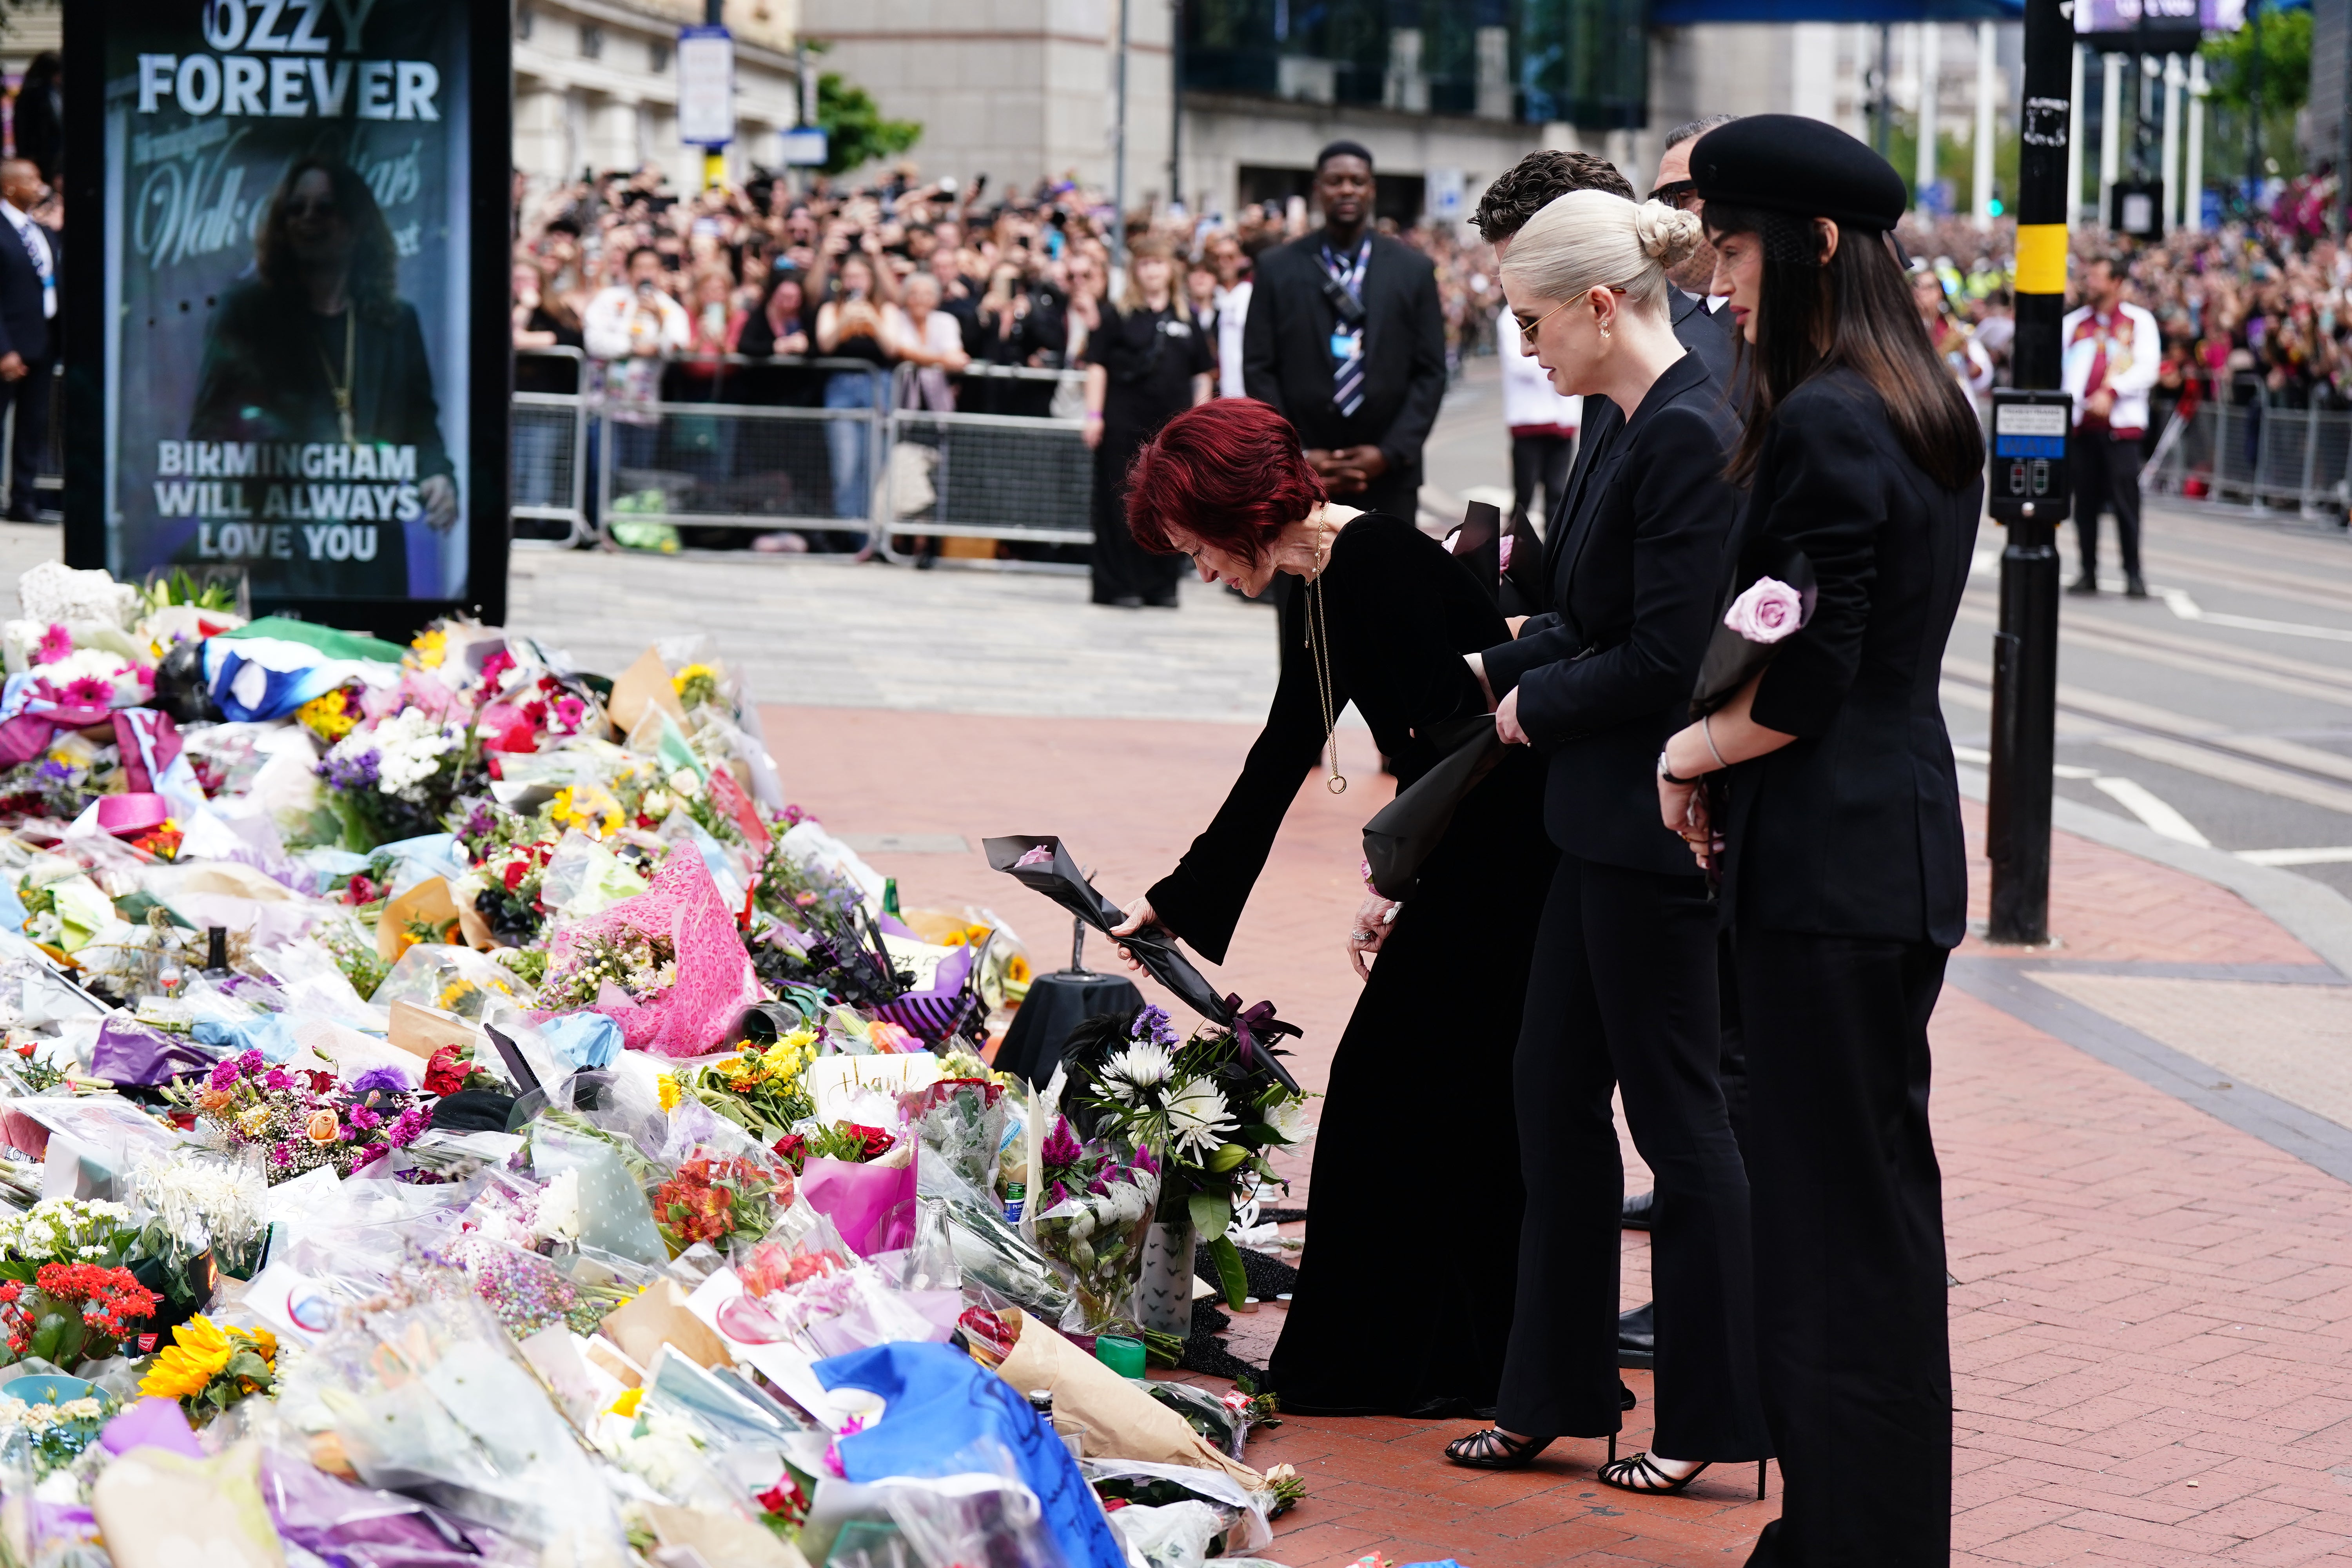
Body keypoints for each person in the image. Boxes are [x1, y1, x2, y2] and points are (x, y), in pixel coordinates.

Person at [1660, 114, 1985, 1564]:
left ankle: (1854, 1537)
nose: (1720, 281)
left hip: (1830, 868)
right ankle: (1857, 1527)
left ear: (1816, 245)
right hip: (1883, 857)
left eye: (1732, 248)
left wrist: (1689, 747)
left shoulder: (1829, 413)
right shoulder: (1921, 399)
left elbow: (1811, 665)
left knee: (1833, 1239)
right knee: (1870, 1226)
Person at [1107, 397, 1554, 1417]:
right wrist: (1176, 905)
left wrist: (1401, 887)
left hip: (1507, 855)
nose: (1205, 573)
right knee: (1436, 1105)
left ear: (1236, 512)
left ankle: (1400, 1365)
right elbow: (1283, 750)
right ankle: (1421, 1361)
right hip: (1472, 852)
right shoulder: (1319, 580)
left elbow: (1464, 741)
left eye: (1198, 549)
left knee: (1401, 1097)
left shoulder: (1374, 564)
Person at [1442, 191, 1770, 1492]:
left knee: (1681, 1127)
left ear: (1598, 304)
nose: (1524, 347)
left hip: (1655, 830)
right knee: (1551, 1096)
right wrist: (1509, 656)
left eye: (1530, 321)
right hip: (1601, 827)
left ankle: (1706, 1416)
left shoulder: (1690, 429)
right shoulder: (1637, 423)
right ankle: (1558, 1391)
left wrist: (1535, 700)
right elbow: (1597, 609)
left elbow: (1669, 657)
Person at [189, 156, 457, 598]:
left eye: (325, 207)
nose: (308, 219)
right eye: (296, 209)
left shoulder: (394, 322)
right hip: (278, 536)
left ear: (356, 224)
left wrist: (437, 474)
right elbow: (207, 427)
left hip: (370, 539)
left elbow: (420, 420)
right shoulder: (247, 313)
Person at [1243, 141, 1446, 521]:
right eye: (1336, 181)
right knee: (1301, 581)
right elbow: (1259, 368)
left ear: (1372, 189)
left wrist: (1389, 452)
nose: (1347, 189)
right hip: (1299, 474)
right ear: (1318, 189)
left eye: (1358, 181)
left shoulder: (1414, 269)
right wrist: (1296, 453)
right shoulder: (1276, 267)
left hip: (1389, 473)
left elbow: (1432, 371)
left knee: (1387, 580)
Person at [1081, 238, 1213, 606]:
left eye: (1159, 263)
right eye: (1145, 264)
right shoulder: (1117, 315)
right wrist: (1093, 416)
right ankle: (1116, 586)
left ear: (1171, 270)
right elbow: (1097, 366)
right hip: (1122, 425)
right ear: (1136, 271)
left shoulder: (1187, 318)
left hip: (1171, 429)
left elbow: (1202, 372)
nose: (1153, 270)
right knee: (1117, 504)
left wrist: (1200, 417)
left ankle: (1161, 586)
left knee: (1170, 504)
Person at [2063, 255, 2158, 598]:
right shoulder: (2075, 323)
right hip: (2083, 427)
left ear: (2117, 282)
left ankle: (2133, 573)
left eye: (2098, 277)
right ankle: (2088, 570)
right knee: (2084, 502)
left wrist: (2112, 391)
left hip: (2121, 429)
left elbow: (2148, 368)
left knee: (2125, 502)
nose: (2090, 283)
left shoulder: (2139, 322)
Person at [583, 244, 690, 495]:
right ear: (629, 271)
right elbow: (594, 342)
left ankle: (629, 531)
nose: (645, 273)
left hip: (643, 409)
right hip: (605, 405)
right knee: (603, 472)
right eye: (640, 267)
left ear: (660, 272)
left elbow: (678, 345)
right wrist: (632, 346)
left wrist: (659, 321)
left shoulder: (669, 308)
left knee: (636, 478)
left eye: (651, 268)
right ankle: (601, 528)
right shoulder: (609, 300)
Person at [813, 252, 900, 548]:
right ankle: (848, 533)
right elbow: (825, 344)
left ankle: (870, 534)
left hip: (879, 390)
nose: (854, 282)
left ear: (871, 280)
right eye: (849, 276)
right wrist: (845, 321)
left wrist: (872, 319)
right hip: (842, 391)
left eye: (860, 276)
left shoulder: (884, 309)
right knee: (846, 467)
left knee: (875, 465)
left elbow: (892, 349)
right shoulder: (831, 309)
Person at [0, 158, 57, 523]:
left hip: (44, 342)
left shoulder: (40, 230)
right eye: (32, 180)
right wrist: (4, 349)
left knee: (33, 426)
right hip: (9, 347)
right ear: (10, 188)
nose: (41, 186)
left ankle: (24, 499)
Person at [1497, 296, 1580, 535]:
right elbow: (1518, 363)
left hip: (1561, 418)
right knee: (1524, 494)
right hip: (1529, 418)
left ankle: (1553, 556)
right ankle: (1510, 556)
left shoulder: (1558, 307)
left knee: (1558, 493)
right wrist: (1558, 359)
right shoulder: (1508, 317)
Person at [1914, 268, 1993, 403]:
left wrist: (1966, 355)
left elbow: (1982, 378)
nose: (1923, 293)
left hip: (1953, 402)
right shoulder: (1906, 331)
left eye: (1930, 287)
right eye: (1917, 286)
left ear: (1940, 293)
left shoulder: (1956, 329)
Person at [1204, 230, 1252, 397]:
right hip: (1218, 394)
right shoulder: (1207, 295)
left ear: (1241, 259)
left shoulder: (1251, 293)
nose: (1223, 263)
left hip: (1249, 391)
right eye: (1217, 258)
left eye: (1230, 257)